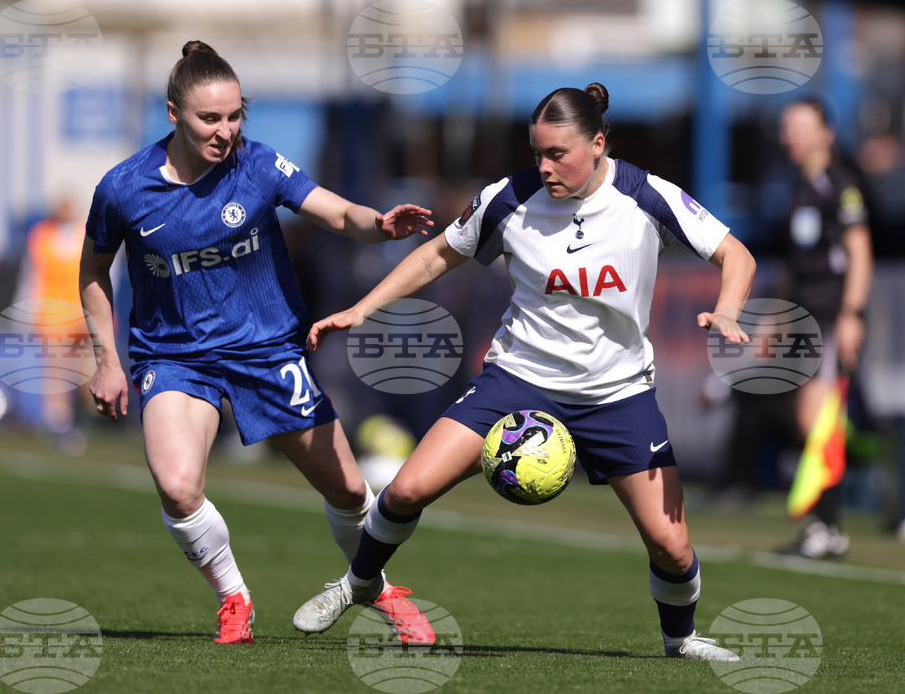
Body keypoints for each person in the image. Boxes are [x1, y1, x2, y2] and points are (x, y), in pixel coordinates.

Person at [293, 84, 757, 662]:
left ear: (598, 144)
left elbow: (737, 254)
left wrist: (728, 310)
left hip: (616, 394)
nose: (544, 167)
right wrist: (362, 309)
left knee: (671, 545)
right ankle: (358, 584)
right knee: (407, 488)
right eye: (537, 153)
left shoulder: (646, 195)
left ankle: (680, 639)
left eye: (558, 154)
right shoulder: (508, 198)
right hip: (517, 380)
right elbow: (437, 254)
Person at [80, 41, 437, 645]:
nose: (225, 131)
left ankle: (376, 589)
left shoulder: (258, 165)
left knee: (350, 490)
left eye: (234, 115)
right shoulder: (123, 188)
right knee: (177, 486)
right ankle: (233, 597)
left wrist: (378, 225)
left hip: (267, 351)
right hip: (174, 356)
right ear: (173, 114)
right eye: (209, 119)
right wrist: (107, 360)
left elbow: (336, 212)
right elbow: (92, 271)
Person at [777, 99, 873, 558]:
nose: (791, 135)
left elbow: (860, 252)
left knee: (820, 419)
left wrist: (852, 314)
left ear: (826, 134)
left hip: (832, 317)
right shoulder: (799, 186)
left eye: (801, 126)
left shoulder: (841, 185)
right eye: (787, 127)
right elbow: (798, 264)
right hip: (806, 318)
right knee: (808, 419)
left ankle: (828, 527)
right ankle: (823, 524)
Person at [16, 194, 89, 454]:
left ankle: (77, 417)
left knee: (83, 372)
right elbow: (32, 276)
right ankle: (59, 422)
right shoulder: (41, 235)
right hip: (53, 313)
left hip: (81, 312)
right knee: (57, 371)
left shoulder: (86, 234)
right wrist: (28, 310)